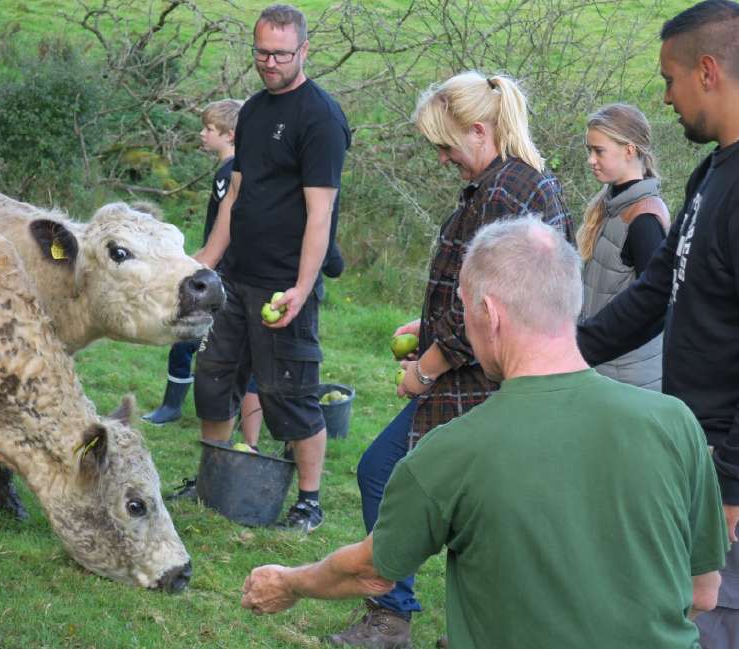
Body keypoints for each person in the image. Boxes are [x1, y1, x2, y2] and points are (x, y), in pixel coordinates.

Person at [240, 216, 729, 649]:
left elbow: (369, 571)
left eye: (466, 310)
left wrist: (290, 582)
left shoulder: (451, 450)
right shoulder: (675, 423)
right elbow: (703, 591)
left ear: (490, 316)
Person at [327, 71, 574, 648]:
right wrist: (429, 320)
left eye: (446, 145)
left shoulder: (503, 193)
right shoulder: (517, 182)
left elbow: (489, 312)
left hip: (483, 386)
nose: (442, 159)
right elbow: (478, 291)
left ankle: (404, 620)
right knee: (463, 506)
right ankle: (427, 621)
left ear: (481, 130)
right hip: (494, 378)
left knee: (400, 480)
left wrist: (425, 369)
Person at [577, 2, 739, 646]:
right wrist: (561, 352)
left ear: (707, 70)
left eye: (669, 78)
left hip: (726, 474)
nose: (664, 96)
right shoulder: (711, 173)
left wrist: (731, 481)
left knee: (712, 625)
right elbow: (652, 295)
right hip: (690, 454)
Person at [185, 3, 351, 533]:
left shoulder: (320, 118)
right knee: (213, 378)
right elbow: (236, 192)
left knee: (289, 392)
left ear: (305, 51)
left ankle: (309, 501)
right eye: (262, 52)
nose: (270, 62)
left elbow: (321, 212)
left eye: (281, 53)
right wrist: (206, 260)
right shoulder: (253, 111)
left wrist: (303, 287)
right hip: (234, 277)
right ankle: (212, 477)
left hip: (284, 283)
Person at [143, 98, 245, 426]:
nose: (202, 133)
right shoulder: (229, 170)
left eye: (209, 129)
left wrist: (208, 263)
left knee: (187, 334)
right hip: (217, 266)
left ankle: (173, 407)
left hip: (223, 273)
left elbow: (229, 225)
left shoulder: (231, 173)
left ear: (229, 135)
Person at [578, 103, 669, 391]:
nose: (591, 160)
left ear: (629, 151)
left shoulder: (643, 221)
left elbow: (655, 309)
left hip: (630, 381)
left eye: (599, 151)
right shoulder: (614, 207)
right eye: (589, 150)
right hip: (605, 370)